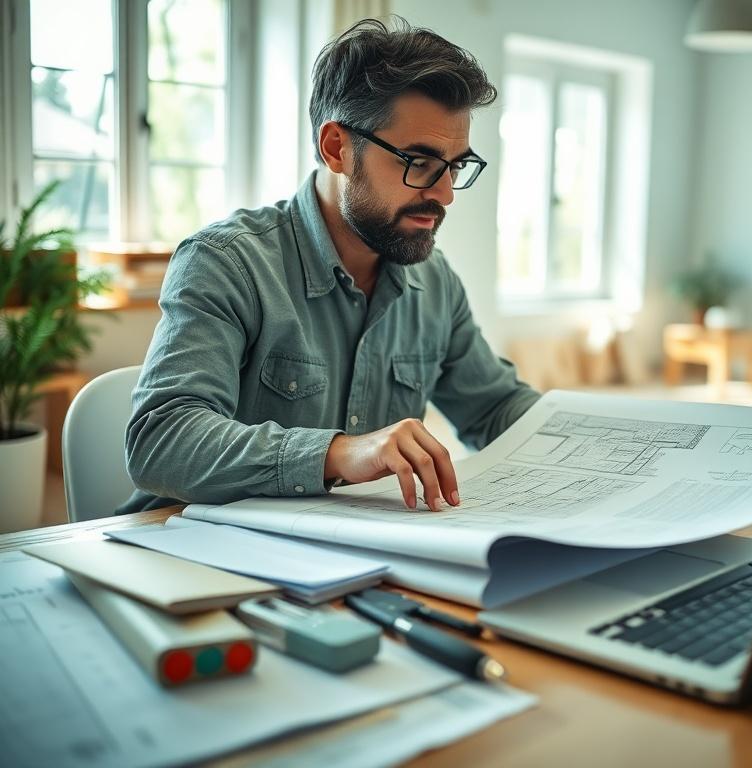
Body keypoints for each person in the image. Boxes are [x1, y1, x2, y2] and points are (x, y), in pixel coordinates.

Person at [118, 17, 540, 515]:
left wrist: (628, 436)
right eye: (418, 163)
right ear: (337, 148)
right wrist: (342, 452)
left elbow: (495, 409)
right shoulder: (227, 262)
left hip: (349, 559)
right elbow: (162, 442)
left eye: (455, 167)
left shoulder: (434, 281)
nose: (444, 193)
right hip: (188, 553)